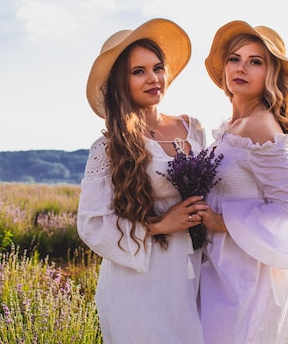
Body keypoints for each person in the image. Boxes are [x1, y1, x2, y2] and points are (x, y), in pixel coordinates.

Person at [197, 20, 288, 344]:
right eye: (235, 59)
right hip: (217, 266)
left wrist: (222, 221)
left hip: (245, 275)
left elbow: (287, 208)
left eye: (255, 61)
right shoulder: (233, 125)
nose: (241, 68)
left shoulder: (261, 126)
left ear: (270, 74)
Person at [77, 18, 208, 344]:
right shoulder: (108, 148)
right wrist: (161, 224)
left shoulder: (194, 128)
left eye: (157, 67)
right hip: (139, 277)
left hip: (194, 270)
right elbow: (91, 223)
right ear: (122, 82)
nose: (153, 78)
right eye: (139, 71)